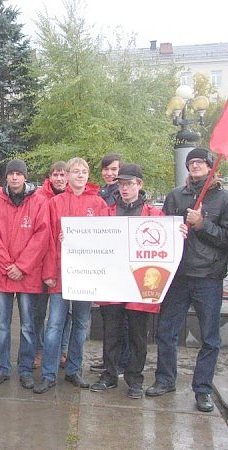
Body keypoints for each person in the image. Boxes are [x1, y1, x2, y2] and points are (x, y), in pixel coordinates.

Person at [146, 147, 228, 413]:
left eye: (200, 163)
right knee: (166, 332)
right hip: (178, 276)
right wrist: (176, 230)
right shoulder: (175, 196)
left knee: (210, 338)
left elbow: (225, 238)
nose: (194, 166)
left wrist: (202, 223)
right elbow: (162, 231)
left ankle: (202, 389)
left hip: (208, 277)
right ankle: (165, 379)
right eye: (191, 162)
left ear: (209, 166)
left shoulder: (223, 199)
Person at [34, 158, 108, 394]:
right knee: (54, 325)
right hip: (60, 276)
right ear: (66, 176)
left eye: (83, 171)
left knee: (80, 325)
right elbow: (47, 241)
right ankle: (49, 373)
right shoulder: (55, 202)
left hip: (86, 277)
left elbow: (106, 240)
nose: (79, 175)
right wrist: (49, 274)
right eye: (75, 171)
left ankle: (74, 370)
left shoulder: (98, 204)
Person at [90, 163, 163, 399]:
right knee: (111, 332)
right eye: (121, 184)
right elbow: (91, 239)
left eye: (129, 184)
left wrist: (178, 232)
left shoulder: (154, 215)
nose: (125, 188)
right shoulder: (107, 212)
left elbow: (166, 240)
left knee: (138, 335)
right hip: (113, 281)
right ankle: (109, 374)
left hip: (140, 284)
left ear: (139, 185)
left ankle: (135, 379)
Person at [0, 159, 51, 388]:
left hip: (27, 275)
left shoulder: (39, 202)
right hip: (2, 275)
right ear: (6, 177)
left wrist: (21, 266)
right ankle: (3, 368)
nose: (14, 178)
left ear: (25, 177)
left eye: (18, 174)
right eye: (11, 174)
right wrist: (7, 265)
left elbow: (41, 237)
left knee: (27, 325)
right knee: (1, 325)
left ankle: (25, 369)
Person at [91, 152, 127, 374]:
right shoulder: (101, 193)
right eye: (106, 169)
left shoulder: (122, 194)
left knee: (121, 318)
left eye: (114, 169)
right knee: (108, 316)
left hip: (120, 263)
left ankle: (121, 361)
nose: (109, 173)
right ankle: (110, 360)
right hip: (104, 260)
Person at [34, 161, 70, 369]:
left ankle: (61, 350)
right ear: (50, 176)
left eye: (62, 175)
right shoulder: (40, 197)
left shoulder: (74, 197)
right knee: (39, 312)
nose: (59, 178)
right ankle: (39, 350)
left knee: (66, 315)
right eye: (55, 175)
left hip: (68, 265)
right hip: (42, 264)